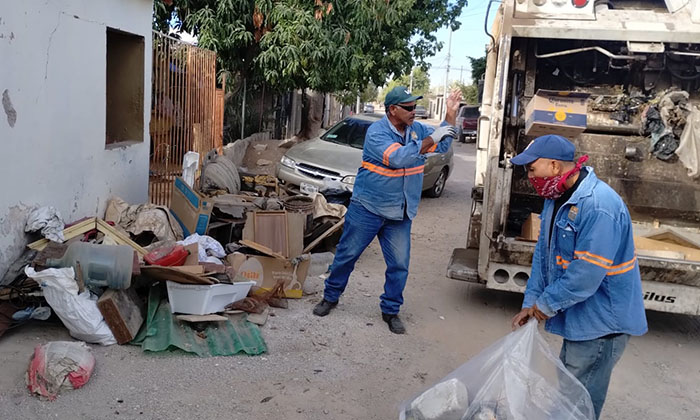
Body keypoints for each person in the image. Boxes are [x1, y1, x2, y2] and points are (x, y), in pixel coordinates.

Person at [509, 134, 648, 419]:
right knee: (570, 395)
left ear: (555, 167)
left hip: (602, 323)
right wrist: (531, 300)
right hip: (583, 317)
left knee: (575, 405)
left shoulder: (598, 206)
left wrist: (544, 306)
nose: (529, 176)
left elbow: (586, 274)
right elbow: (544, 256)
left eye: (532, 169)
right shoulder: (556, 197)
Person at [312, 86, 462, 334]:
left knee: (399, 265)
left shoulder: (417, 130)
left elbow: (443, 143)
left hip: (400, 213)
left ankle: (391, 310)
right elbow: (399, 158)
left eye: (415, 107)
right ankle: (330, 296)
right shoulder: (376, 133)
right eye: (409, 107)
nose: (415, 111)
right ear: (392, 109)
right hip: (368, 208)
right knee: (347, 256)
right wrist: (432, 139)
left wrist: (450, 114)